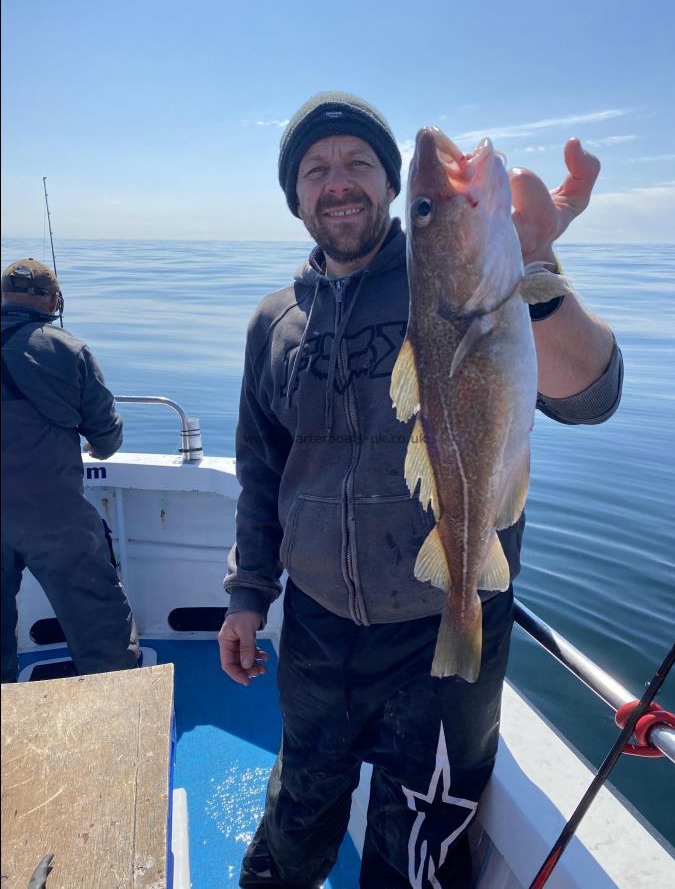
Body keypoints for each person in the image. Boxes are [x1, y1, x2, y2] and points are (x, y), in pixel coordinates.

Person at [218, 93, 623, 888]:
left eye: (359, 163)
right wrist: (246, 593)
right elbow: (261, 469)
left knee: (421, 848)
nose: (338, 183)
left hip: (440, 624)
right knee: (299, 804)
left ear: (392, 188)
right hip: (316, 627)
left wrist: (535, 263)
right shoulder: (273, 321)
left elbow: (592, 396)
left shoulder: (462, 280)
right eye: (316, 169)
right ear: (294, 194)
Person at [1, 258, 140, 683]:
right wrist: (94, 444)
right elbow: (108, 438)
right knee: (100, 625)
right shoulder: (66, 349)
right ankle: (119, 712)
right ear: (53, 300)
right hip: (53, 517)